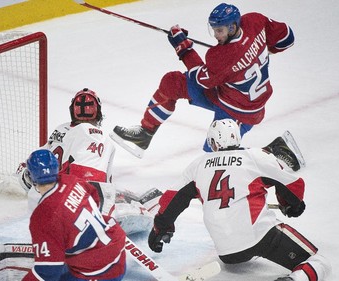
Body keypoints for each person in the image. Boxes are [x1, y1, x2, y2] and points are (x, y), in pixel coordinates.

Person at [110, 3, 302, 171]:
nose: (216, 35)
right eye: (214, 30)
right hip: (224, 92)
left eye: (220, 31)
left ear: (233, 26)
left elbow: (201, 78)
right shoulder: (255, 21)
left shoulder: (222, 57)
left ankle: (274, 151)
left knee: (213, 163)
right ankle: (144, 134)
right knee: (172, 83)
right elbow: (287, 38)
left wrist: (183, 47)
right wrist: (256, 49)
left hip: (242, 111)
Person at [147, 119, 331, 281]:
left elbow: (172, 199)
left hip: (227, 252)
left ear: (213, 142)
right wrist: (291, 205)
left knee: (239, 242)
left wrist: (160, 228)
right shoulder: (255, 157)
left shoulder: (198, 165)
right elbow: (294, 186)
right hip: (262, 237)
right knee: (318, 262)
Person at [16, 88, 161, 234]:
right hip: (73, 205)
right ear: (98, 112)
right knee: (154, 198)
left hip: (46, 196)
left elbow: (30, 169)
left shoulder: (61, 129)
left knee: (128, 192)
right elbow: (88, 178)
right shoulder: (95, 134)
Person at [22, 149, 126, 281]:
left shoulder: (43, 217)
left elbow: (48, 272)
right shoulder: (71, 181)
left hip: (100, 272)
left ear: (31, 176)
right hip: (117, 248)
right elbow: (95, 196)